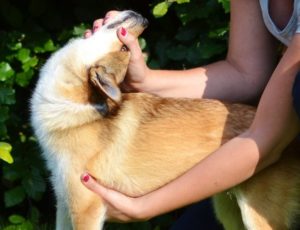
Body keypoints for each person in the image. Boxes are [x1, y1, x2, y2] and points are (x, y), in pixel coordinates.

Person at [81, 0, 300, 228]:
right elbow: (246, 75)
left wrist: (142, 206)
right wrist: (145, 80)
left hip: (275, 141)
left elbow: (267, 138)